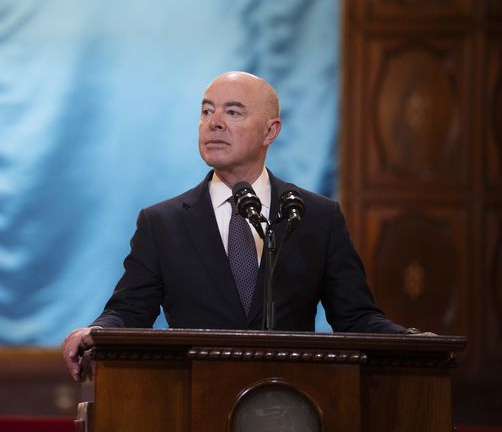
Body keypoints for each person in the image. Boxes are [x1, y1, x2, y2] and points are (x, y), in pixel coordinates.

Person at [62, 71, 419, 382]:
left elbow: (355, 317)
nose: (214, 122)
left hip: (291, 398)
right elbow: (128, 312)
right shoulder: (161, 223)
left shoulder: (315, 216)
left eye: (233, 112)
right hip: (193, 399)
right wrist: (97, 330)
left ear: (270, 131)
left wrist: (413, 341)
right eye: (206, 111)